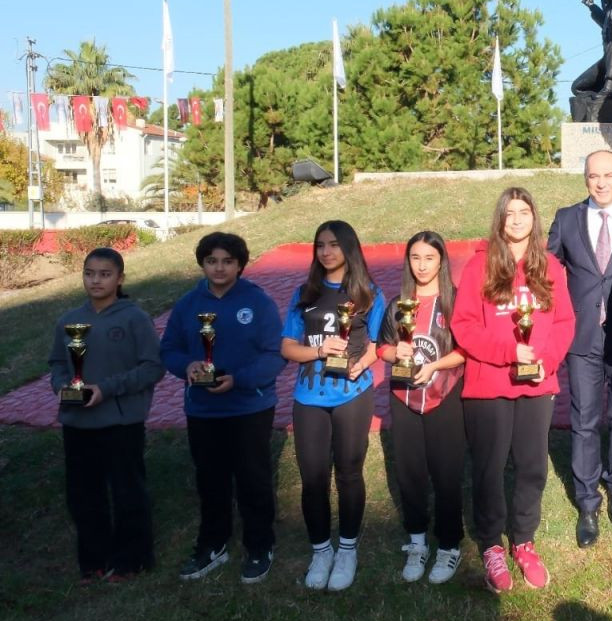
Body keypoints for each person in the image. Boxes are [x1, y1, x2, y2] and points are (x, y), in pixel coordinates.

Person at [452, 187, 575, 593]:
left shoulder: (551, 267)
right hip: (489, 385)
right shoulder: (479, 267)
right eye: (510, 213)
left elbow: (563, 323)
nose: (518, 219)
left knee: (532, 466)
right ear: (500, 220)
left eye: (524, 212)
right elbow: (464, 326)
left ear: (534, 218)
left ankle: (523, 540)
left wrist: (546, 359)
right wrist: (509, 350)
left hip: (537, 384)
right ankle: (491, 545)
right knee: (488, 469)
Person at [160, 232, 285, 584]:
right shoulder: (187, 304)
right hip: (203, 410)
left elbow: (274, 354)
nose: (219, 267)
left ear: (240, 265)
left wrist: (240, 379)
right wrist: (186, 367)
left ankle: (260, 546)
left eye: (227, 261)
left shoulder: (257, 302)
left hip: (249, 407)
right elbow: (169, 348)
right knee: (210, 480)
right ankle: (213, 544)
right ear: (202, 263)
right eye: (212, 260)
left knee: (253, 480)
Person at [280, 220, 386, 592]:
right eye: (320, 245)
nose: (326, 252)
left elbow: (379, 343)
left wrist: (363, 364)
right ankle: (321, 550)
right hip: (309, 397)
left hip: (352, 395)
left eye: (334, 245)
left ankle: (347, 549)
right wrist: (320, 350)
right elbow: (288, 347)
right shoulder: (304, 293)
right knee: (312, 478)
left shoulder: (370, 293)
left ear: (349, 248)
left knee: (349, 473)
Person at [547, 149, 612, 548]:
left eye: (608, 175)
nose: (601, 183)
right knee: (585, 418)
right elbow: (548, 272)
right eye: (593, 176)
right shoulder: (566, 218)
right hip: (581, 336)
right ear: (585, 179)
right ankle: (587, 502)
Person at [48, 247, 164, 583]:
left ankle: (132, 559)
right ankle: (93, 561)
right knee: (84, 494)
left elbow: (153, 367)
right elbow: (57, 364)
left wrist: (107, 389)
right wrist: (60, 387)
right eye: (89, 273)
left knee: (128, 491)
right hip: (77, 423)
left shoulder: (134, 318)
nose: (95, 280)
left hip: (121, 422)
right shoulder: (68, 320)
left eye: (104, 274)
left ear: (120, 278)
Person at [375, 231, 466, 585]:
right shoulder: (398, 304)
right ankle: (416, 540)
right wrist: (392, 352)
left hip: (445, 397)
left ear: (441, 260)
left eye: (429, 257)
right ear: (408, 261)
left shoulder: (455, 301)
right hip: (404, 399)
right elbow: (381, 347)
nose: (422, 264)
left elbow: (467, 350)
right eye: (415, 257)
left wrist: (434, 366)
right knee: (410, 473)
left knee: (446, 474)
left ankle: (449, 544)